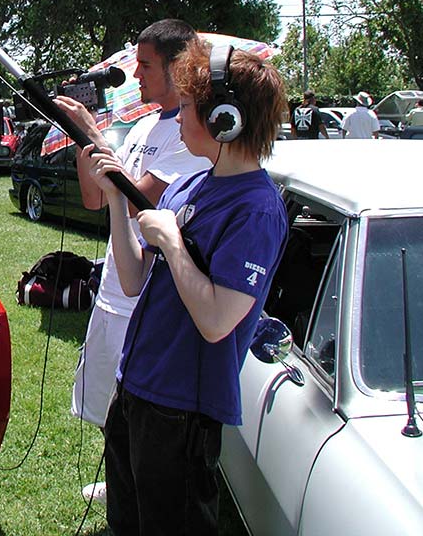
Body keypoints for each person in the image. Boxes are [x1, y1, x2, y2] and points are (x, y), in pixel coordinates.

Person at [87, 37, 288, 536]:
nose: (178, 117)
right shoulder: (188, 185)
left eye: (191, 106)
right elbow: (132, 280)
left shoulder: (256, 210)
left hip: (181, 410)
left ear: (226, 118)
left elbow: (218, 321)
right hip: (134, 388)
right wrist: (117, 201)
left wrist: (174, 245)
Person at [54, 19, 209, 505]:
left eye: (145, 65)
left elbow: (140, 200)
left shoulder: (190, 135)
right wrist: (84, 140)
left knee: (140, 408)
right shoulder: (143, 126)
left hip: (147, 294)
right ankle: (119, 479)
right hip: (115, 285)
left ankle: (136, 489)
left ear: (178, 68)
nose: (135, 74)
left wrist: (94, 136)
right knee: (108, 400)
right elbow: (94, 198)